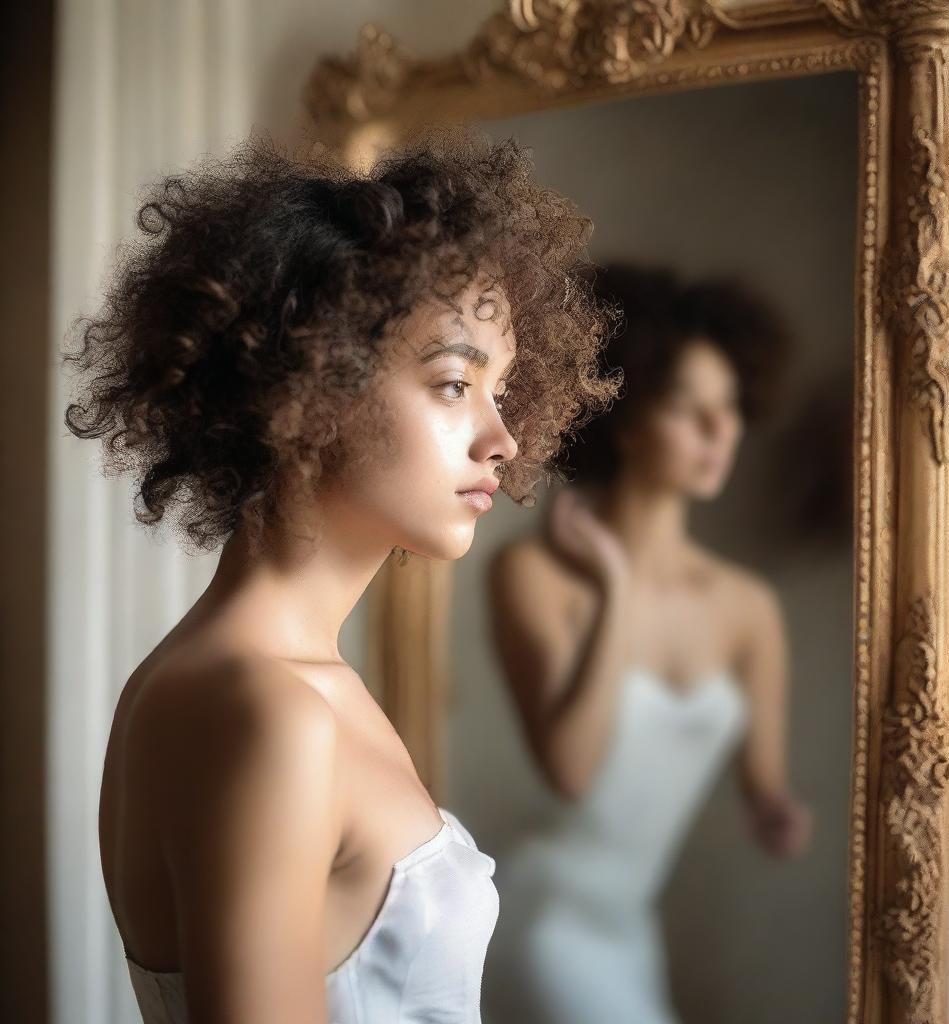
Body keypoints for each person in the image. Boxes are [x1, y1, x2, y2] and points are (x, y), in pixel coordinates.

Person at [61, 128, 619, 1024]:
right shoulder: (266, 709)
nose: (503, 441)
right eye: (451, 384)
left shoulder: (237, 684)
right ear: (310, 379)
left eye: (502, 392)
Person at [482, 263, 813, 1023]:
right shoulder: (529, 572)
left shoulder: (748, 609)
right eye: (688, 409)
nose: (719, 432)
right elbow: (570, 771)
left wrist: (778, 814)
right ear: (626, 420)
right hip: (548, 923)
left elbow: (764, 786)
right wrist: (617, 593)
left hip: (633, 928)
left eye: (728, 410)